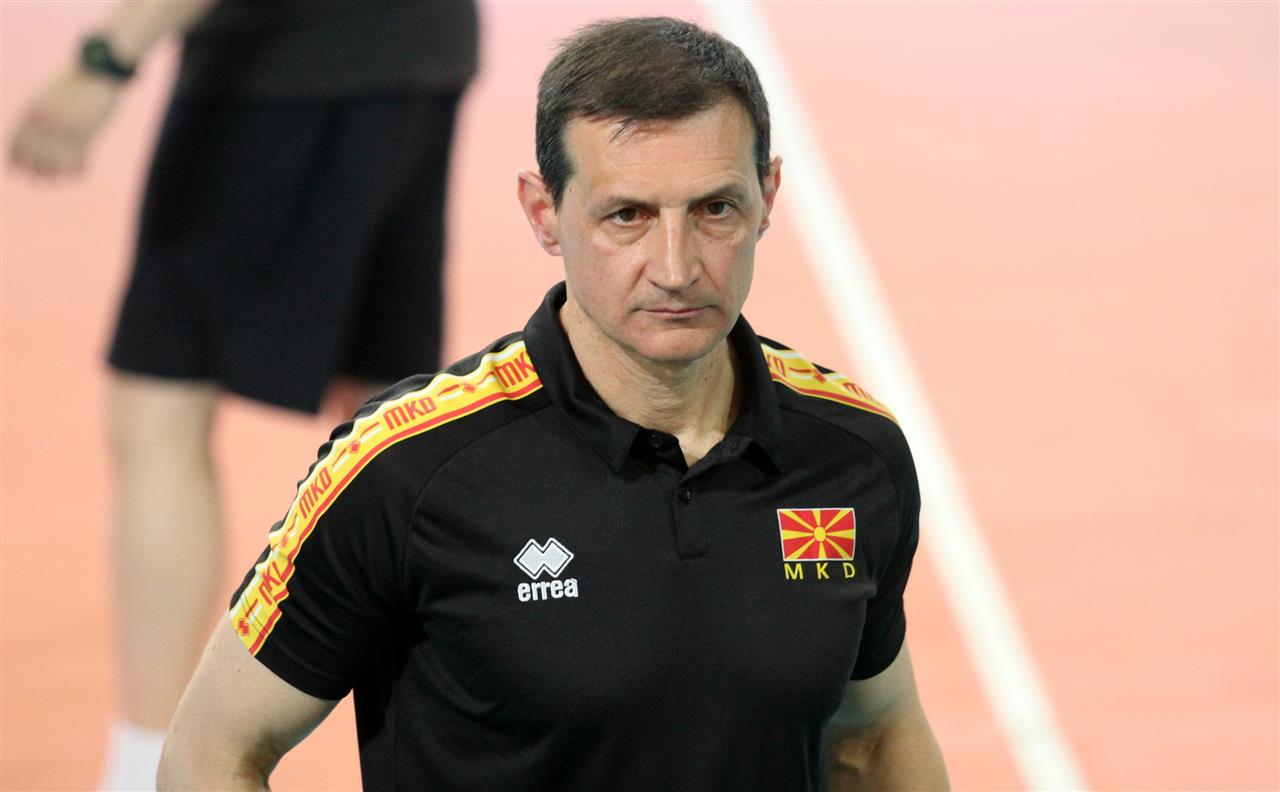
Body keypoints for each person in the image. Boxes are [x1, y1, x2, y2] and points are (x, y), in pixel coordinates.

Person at [159, 16, 948, 791]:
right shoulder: (405, 472)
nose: (676, 268)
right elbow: (210, 752)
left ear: (767, 195)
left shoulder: (854, 455)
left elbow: (875, 736)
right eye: (627, 216)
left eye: (715, 210)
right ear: (544, 213)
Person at [8, 1, 478, 788]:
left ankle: (148, 771)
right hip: (426, 47)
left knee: (161, 400)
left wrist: (106, 57)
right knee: (395, 421)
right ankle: (461, 749)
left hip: (282, 62)